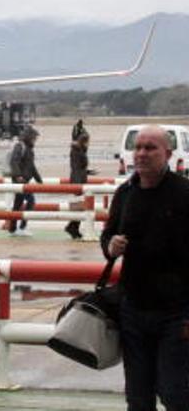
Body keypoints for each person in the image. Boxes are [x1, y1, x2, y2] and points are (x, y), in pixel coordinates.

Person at [100, 125, 189, 410]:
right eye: (138, 147)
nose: (141, 153)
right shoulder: (125, 193)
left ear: (168, 153)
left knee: (174, 392)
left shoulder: (184, 193)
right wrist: (110, 246)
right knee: (138, 396)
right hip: (133, 309)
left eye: (150, 148)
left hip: (177, 312)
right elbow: (107, 235)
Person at [8, 127, 42, 236]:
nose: (35, 140)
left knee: (17, 205)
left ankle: (12, 229)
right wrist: (18, 176)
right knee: (31, 201)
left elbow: (32, 167)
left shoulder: (29, 149)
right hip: (20, 181)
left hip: (24, 181)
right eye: (34, 138)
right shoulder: (20, 146)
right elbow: (14, 161)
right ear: (29, 137)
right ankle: (22, 227)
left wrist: (39, 180)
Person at [65, 132, 93, 240]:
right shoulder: (77, 151)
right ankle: (72, 228)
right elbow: (76, 168)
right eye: (88, 142)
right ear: (84, 142)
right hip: (78, 181)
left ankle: (73, 227)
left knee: (79, 206)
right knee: (79, 206)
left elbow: (79, 167)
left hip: (79, 179)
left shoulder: (79, 151)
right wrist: (77, 186)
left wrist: (87, 172)